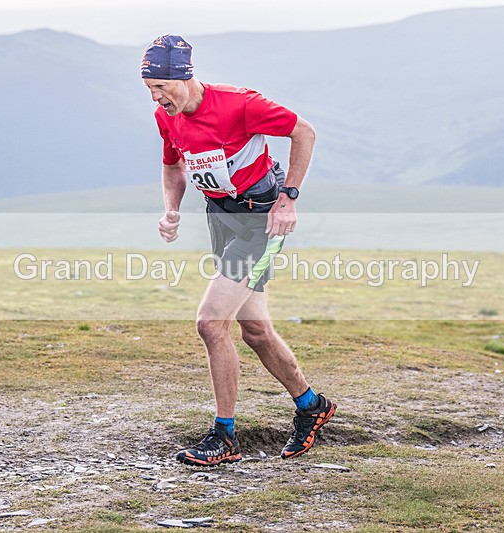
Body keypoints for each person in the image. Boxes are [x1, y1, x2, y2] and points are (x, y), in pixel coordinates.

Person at [141, 35, 336, 466]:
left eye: (162, 86)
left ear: (186, 76)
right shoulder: (166, 115)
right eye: (149, 87)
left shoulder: (239, 103)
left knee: (211, 324)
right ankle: (311, 406)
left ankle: (224, 436)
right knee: (256, 331)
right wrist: (170, 210)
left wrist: (289, 198)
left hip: (260, 221)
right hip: (220, 217)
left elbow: (304, 131)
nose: (156, 97)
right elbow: (173, 163)